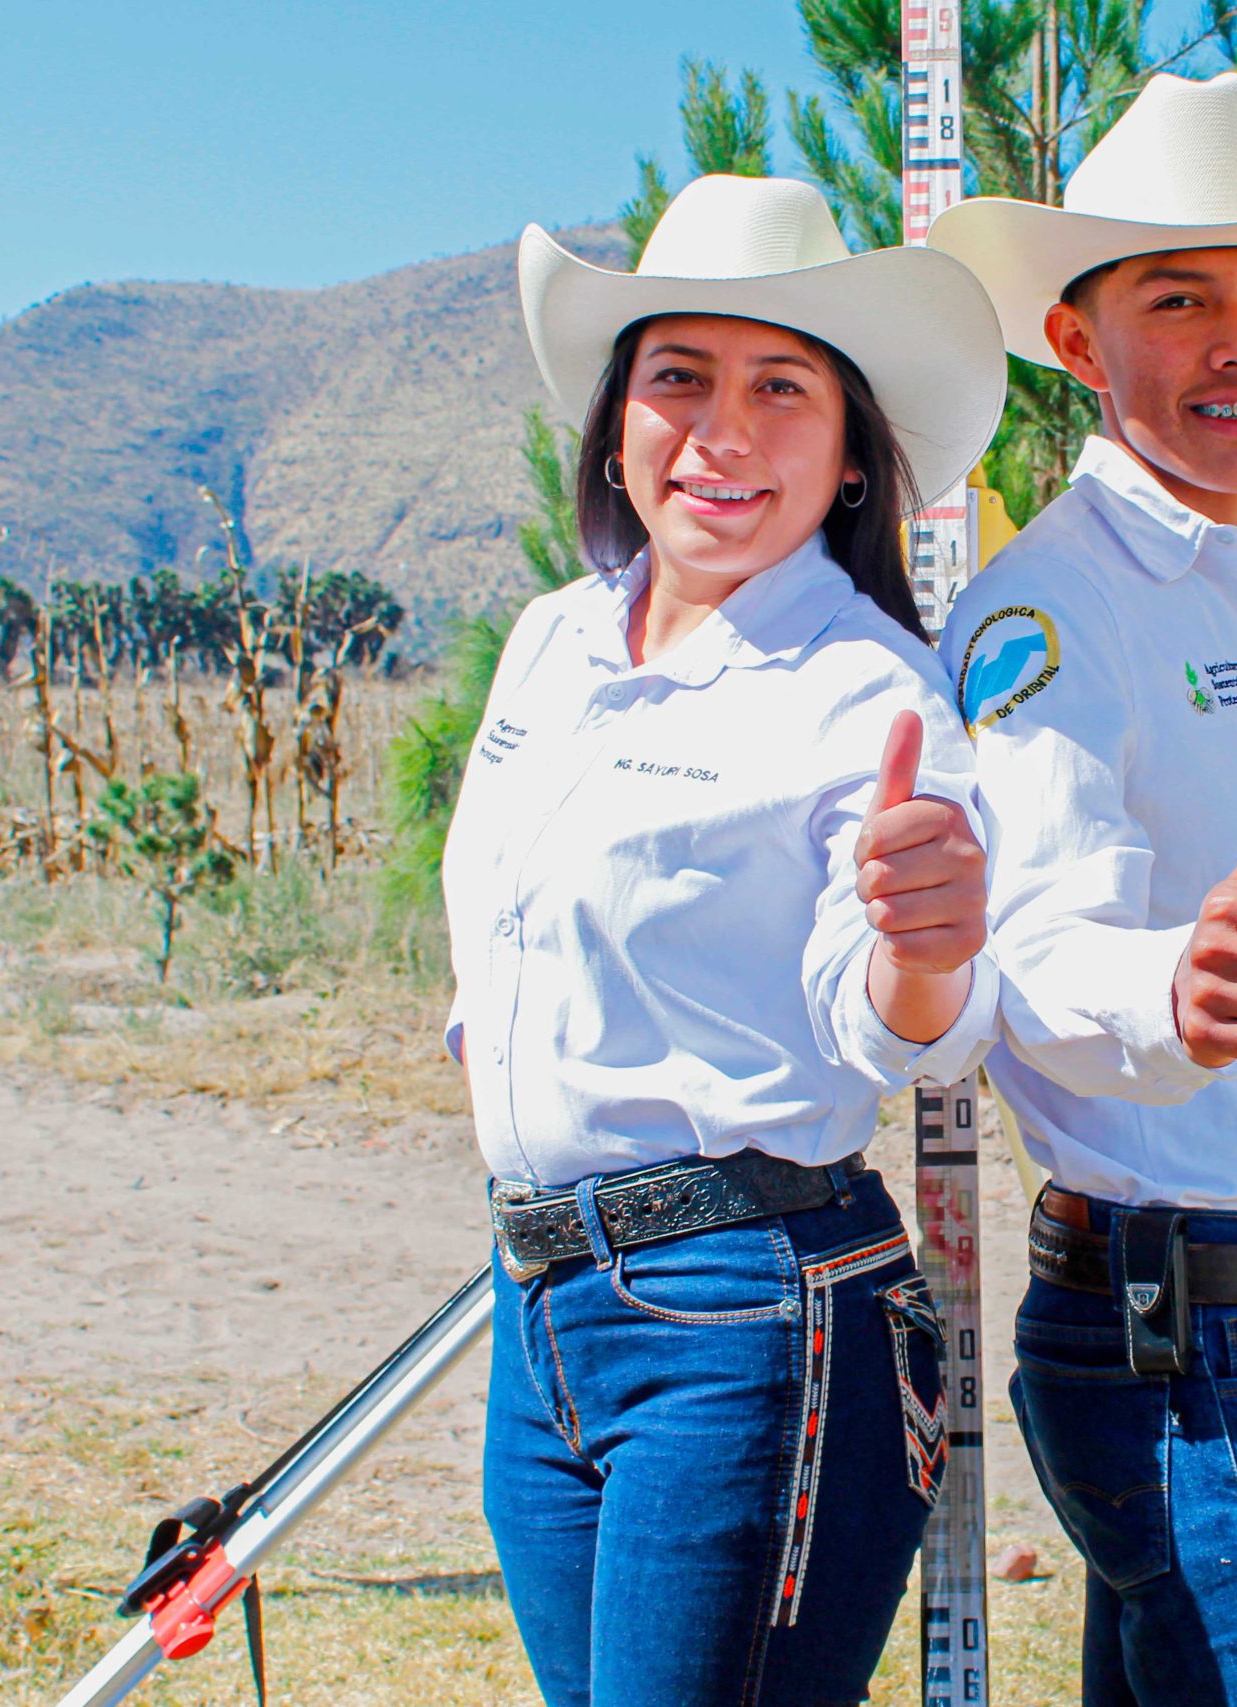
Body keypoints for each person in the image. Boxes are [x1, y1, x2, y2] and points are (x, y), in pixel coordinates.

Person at [447, 173, 1007, 1707]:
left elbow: (903, 1026)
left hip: (747, 1318)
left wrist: (923, 946)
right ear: (618, 428)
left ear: (847, 456)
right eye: (677, 378)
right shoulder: (552, 646)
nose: (722, 430)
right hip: (542, 1310)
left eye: (781, 387)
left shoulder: (868, 693)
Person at [928, 73, 1237, 1706]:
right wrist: (1171, 993)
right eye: (1182, 299)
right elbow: (1037, 952)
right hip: (1204, 1350)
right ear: (1078, 344)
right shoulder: (1061, 613)